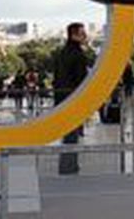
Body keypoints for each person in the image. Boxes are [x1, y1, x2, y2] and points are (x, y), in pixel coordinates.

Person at [53, 22, 90, 175]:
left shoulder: (62, 53)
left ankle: (67, 165)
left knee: (68, 134)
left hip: (62, 97)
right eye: (82, 33)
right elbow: (81, 80)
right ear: (73, 35)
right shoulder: (78, 54)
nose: (85, 36)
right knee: (71, 135)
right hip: (73, 98)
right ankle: (69, 167)